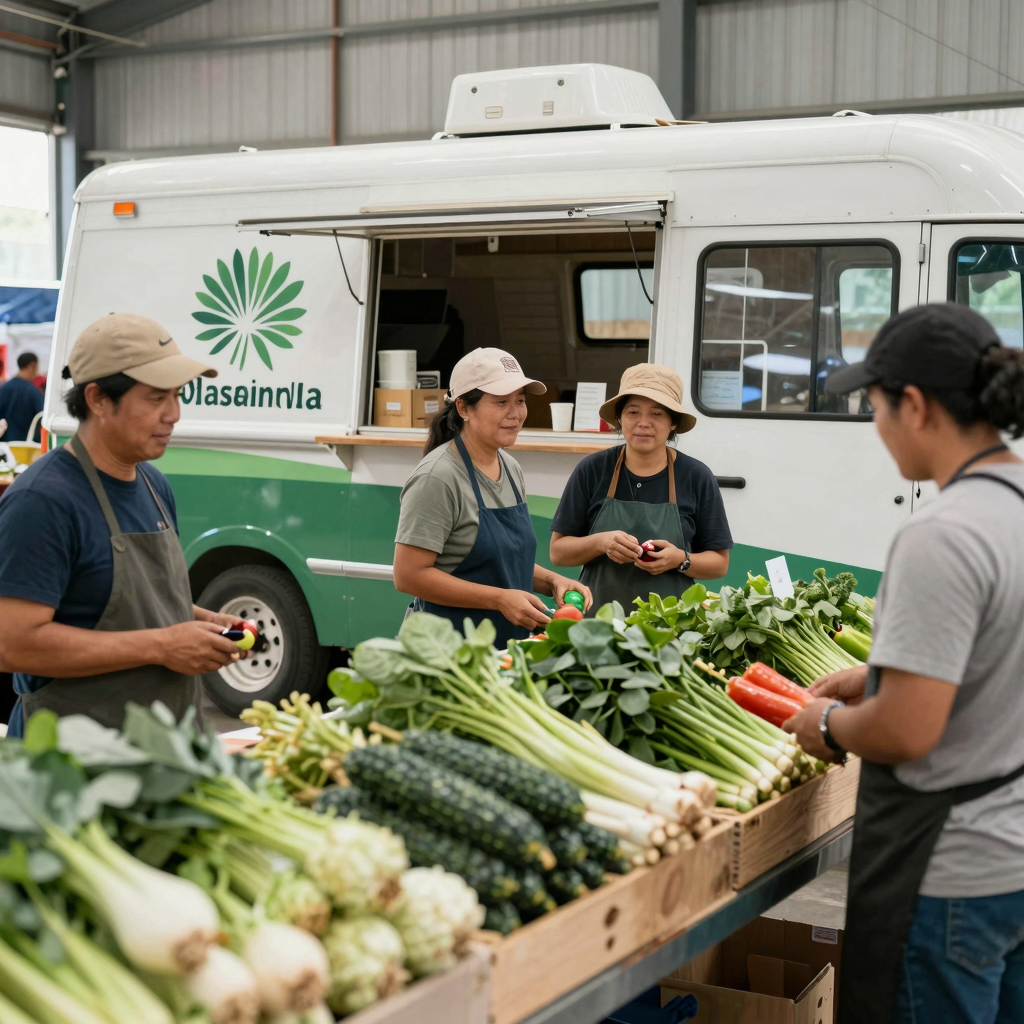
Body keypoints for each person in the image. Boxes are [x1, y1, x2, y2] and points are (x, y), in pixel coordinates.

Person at [782, 304, 1024, 1024]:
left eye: (876, 406)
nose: (877, 428)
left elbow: (908, 733)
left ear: (913, 406)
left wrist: (827, 721)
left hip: (947, 874)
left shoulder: (942, 535)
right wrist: (881, 672)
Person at [0, 313, 251, 736]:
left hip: (161, 748)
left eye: (177, 395)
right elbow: (13, 643)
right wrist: (162, 645)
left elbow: (119, 601)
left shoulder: (153, 484)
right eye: (156, 399)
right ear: (97, 399)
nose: (174, 414)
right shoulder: (42, 501)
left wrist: (203, 624)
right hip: (70, 763)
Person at [393, 347, 591, 647]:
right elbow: (408, 576)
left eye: (520, 400)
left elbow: (503, 560)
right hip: (448, 651)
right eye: (501, 402)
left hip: (504, 648)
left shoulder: (509, 467)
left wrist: (552, 582)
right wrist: (499, 599)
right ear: (464, 408)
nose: (515, 413)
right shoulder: (437, 477)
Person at [549, 363, 733, 612]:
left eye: (657, 414)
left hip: (671, 626)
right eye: (633, 412)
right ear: (620, 419)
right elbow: (558, 553)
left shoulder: (696, 476)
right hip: (600, 623)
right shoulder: (592, 469)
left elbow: (719, 564)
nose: (643, 423)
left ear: (673, 423)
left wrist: (680, 559)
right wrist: (601, 543)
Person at [0, 351, 44, 442]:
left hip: (3, 446)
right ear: (32, 366)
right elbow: (42, 416)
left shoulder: (4, 388)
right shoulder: (33, 392)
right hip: (25, 448)